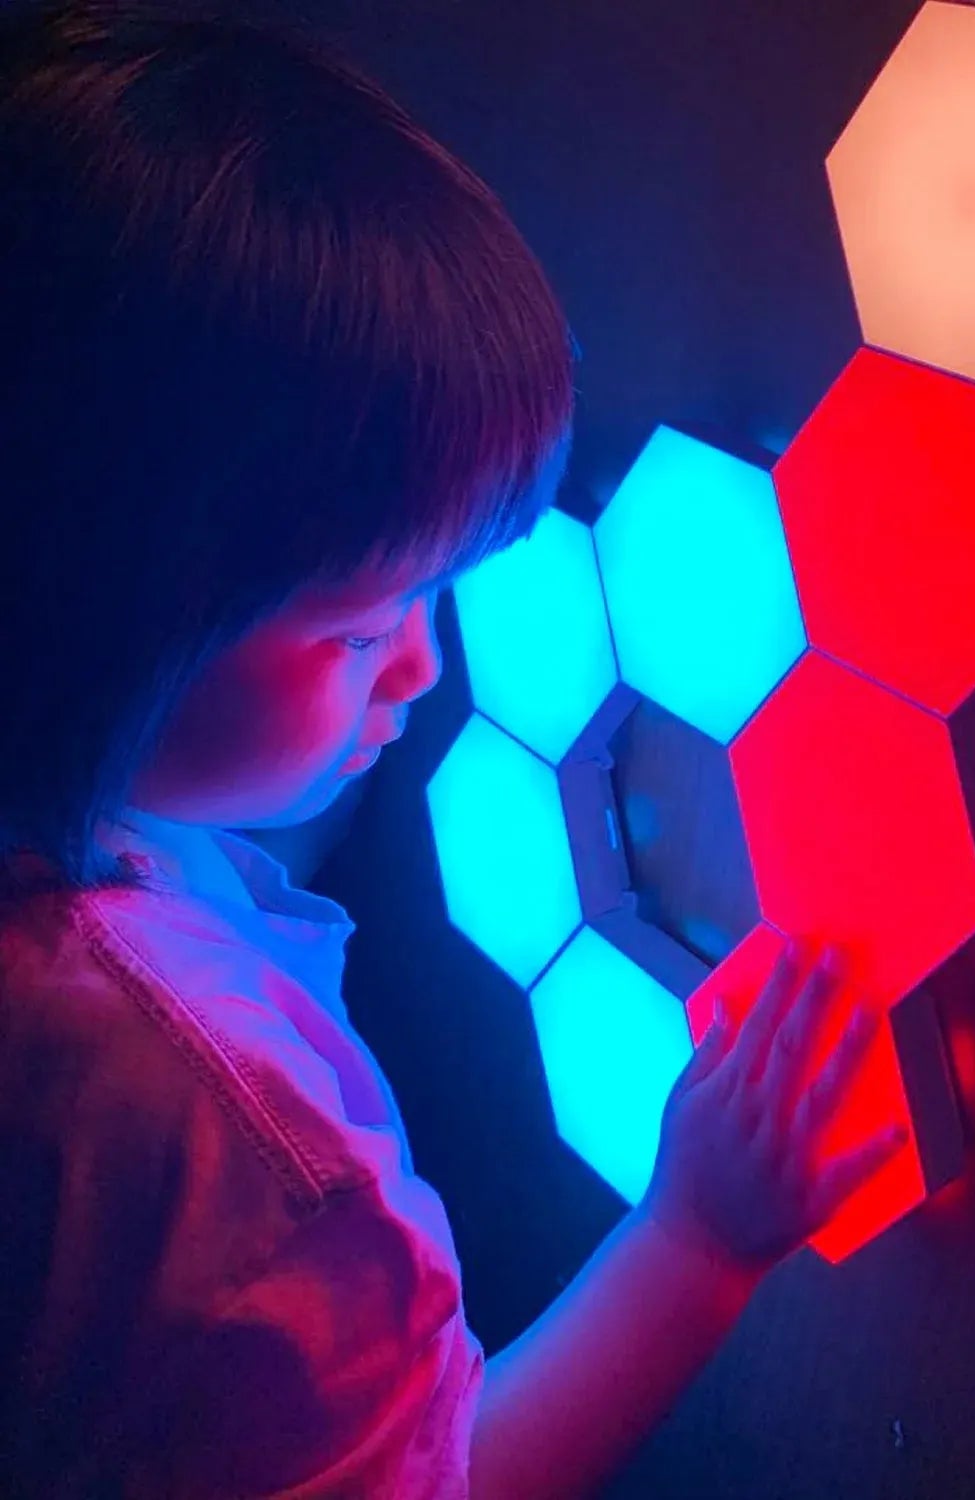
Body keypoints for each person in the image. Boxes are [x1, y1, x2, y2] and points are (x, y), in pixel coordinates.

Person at [0, 5, 907, 1495]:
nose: (423, 665)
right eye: (358, 632)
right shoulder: (228, 1138)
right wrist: (698, 1238)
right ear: (110, 617)